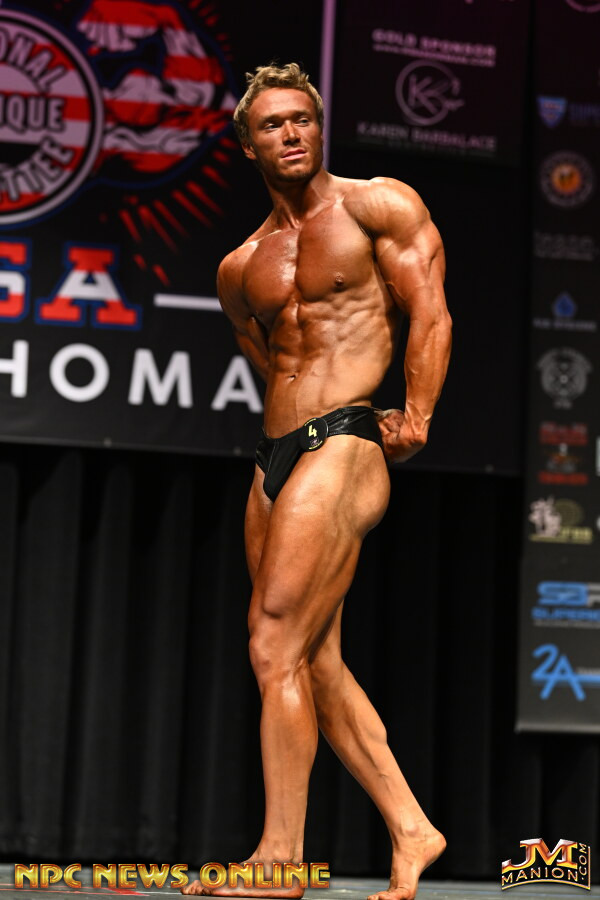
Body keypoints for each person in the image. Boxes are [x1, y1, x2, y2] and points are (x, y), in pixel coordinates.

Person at [183, 63, 452, 900]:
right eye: (273, 124)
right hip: (275, 458)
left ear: (320, 126)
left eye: (302, 118)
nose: (291, 133)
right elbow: (269, 359)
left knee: (272, 644)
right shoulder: (241, 266)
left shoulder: (379, 207)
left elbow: (430, 311)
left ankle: (279, 858)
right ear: (248, 143)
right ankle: (413, 828)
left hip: (344, 440)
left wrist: (416, 412)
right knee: (311, 663)